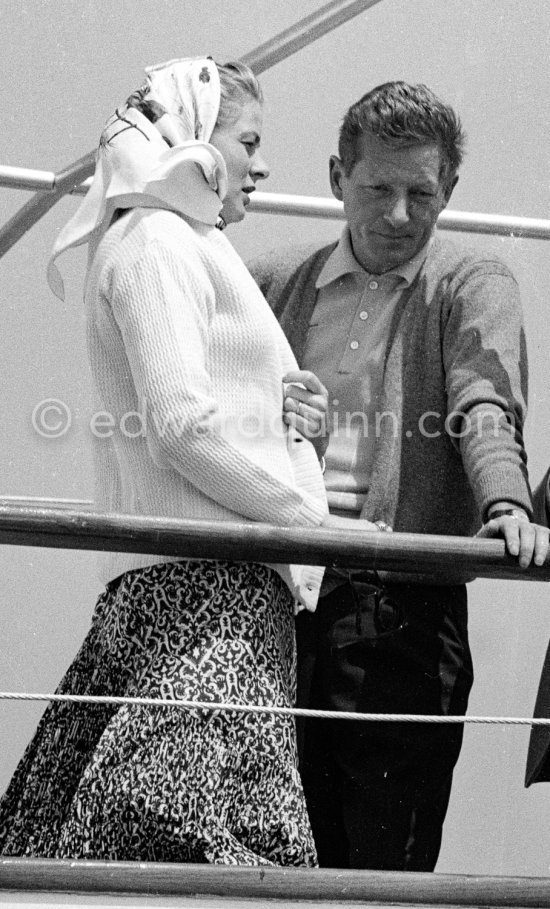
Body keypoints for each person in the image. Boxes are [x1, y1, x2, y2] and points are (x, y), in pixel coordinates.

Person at [0, 57, 374, 866]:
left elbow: (202, 413)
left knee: (172, 838)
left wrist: (290, 417)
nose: (262, 163)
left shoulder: (178, 243)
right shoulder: (159, 242)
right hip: (207, 592)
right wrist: (316, 525)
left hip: (211, 584)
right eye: (249, 140)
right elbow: (177, 425)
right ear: (196, 137)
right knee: (188, 840)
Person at [248, 80, 549, 871]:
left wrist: (506, 503)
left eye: (422, 192)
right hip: (278, 597)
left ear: (449, 188)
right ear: (335, 178)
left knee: (382, 860)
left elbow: (484, 402)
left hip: (400, 603)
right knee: (266, 856)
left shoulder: (470, 282)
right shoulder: (273, 279)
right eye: (378, 188)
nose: (399, 214)